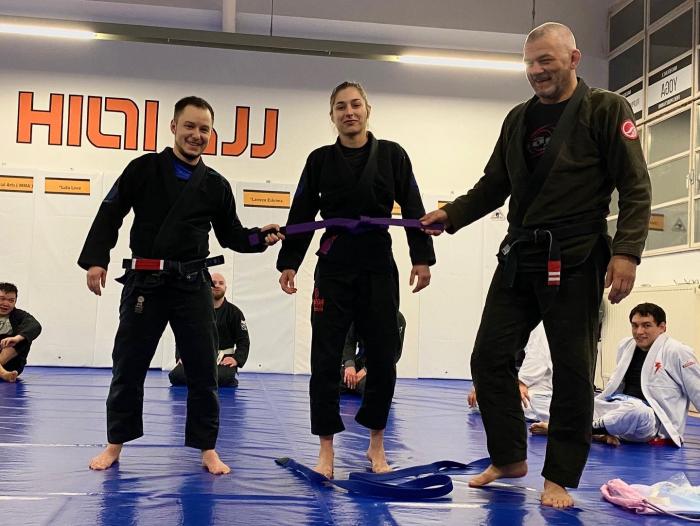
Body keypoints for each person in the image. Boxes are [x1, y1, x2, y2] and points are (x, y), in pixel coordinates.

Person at [421, 22, 651, 508]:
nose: (536, 71)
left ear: (574, 59)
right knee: (489, 357)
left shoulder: (605, 109)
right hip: (521, 254)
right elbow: (494, 184)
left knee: (572, 369)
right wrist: (452, 214)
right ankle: (509, 457)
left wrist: (627, 252)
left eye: (546, 60)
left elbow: (635, 186)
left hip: (576, 255)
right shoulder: (518, 118)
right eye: (529, 63)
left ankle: (558, 478)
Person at [78, 96, 282, 475]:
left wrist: (259, 237)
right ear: (174, 127)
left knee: (203, 369)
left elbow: (232, 234)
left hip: (192, 284)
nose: (196, 135)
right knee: (128, 365)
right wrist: (96, 258)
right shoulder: (143, 169)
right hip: (146, 282)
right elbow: (111, 210)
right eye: (189, 126)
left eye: (204, 129)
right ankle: (115, 444)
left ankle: (207, 449)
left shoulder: (216, 185)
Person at [277, 81, 435, 478]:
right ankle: (326, 449)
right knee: (325, 356)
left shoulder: (393, 155)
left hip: (378, 262)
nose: (349, 112)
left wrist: (421, 258)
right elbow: (301, 213)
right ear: (331, 115)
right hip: (334, 263)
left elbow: (413, 207)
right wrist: (289, 261)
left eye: (355, 105)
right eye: (341, 107)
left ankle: (376, 444)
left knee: (382, 355)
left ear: (367, 109)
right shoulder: (319, 160)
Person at [531, 303, 700, 449]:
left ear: (662, 327)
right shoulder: (626, 345)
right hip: (618, 406)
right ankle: (600, 431)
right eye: (635, 325)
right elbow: (616, 385)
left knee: (636, 412)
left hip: (648, 420)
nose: (639, 331)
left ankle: (570, 430)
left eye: (646, 325)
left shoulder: (678, 351)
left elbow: (697, 389)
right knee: (541, 397)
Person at [169, 272, 249, 388]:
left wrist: (236, 359)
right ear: (207, 286)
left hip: (223, 359)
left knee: (222, 377)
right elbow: (183, 335)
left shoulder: (234, 312)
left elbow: (243, 340)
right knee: (176, 376)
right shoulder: (195, 310)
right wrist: (181, 356)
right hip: (197, 356)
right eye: (213, 283)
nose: (217, 285)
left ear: (225, 288)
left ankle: (201, 379)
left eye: (221, 283)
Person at [468, 322, 552, 423]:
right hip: (512, 379)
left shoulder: (538, 325)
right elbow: (493, 355)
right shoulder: (503, 322)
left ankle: (552, 422)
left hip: (540, 384)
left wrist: (522, 382)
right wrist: (480, 383)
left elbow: (538, 358)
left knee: (527, 402)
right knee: (481, 399)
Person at [342, 311, 406, 395]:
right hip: (360, 362)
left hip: (381, 366)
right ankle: (352, 384)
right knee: (331, 378)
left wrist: (366, 370)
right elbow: (349, 342)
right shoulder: (357, 313)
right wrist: (349, 365)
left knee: (374, 386)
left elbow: (394, 353)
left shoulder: (397, 318)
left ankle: (351, 385)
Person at [0, 283, 42, 383]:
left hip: (11, 365)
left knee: (24, 338)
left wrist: (17, 338)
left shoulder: (20, 315)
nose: (6, 303)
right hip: (6, 371)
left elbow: (35, 326)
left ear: (15, 302)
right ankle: (3, 374)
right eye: (2, 299)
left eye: (11, 300)